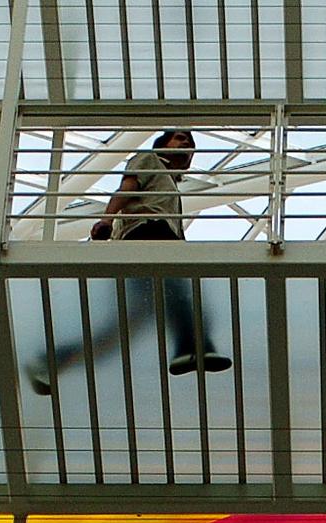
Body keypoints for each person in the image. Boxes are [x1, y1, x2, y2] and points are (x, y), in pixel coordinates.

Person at [28, 128, 231, 390]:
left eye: (190, 142)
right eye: (179, 138)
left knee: (121, 332)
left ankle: (51, 363)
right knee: (184, 295)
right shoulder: (148, 160)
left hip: (153, 237)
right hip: (148, 232)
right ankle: (192, 348)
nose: (186, 144)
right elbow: (126, 189)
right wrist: (106, 220)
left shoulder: (169, 183)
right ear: (162, 145)